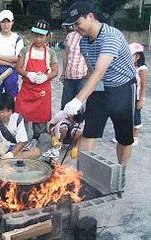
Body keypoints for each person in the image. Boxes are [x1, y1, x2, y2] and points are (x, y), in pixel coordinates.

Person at [62, 1, 136, 189]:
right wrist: (85, 98)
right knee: (89, 133)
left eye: (77, 23)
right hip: (100, 89)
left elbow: (100, 71)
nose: (75, 28)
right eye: (72, 25)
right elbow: (91, 72)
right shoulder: (84, 41)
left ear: (90, 16)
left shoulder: (111, 36)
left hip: (122, 88)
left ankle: (121, 171)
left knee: (124, 137)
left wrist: (78, 98)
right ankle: (82, 175)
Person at [15, 20, 58, 145]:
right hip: (27, 88)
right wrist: (28, 74)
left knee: (40, 117)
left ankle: (35, 137)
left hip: (43, 90)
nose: (38, 39)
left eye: (41, 36)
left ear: (47, 36)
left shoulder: (51, 52)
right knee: (21, 111)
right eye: (36, 35)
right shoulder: (25, 51)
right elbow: (18, 68)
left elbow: (55, 71)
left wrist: (46, 77)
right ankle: (21, 138)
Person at [0, 93, 41, 160]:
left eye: (8, 111)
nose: (6, 115)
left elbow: (21, 142)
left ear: (12, 110)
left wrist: (11, 154)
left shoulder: (18, 118)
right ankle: (11, 161)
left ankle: (2, 162)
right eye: (2, 112)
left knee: (36, 151)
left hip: (12, 149)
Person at [0, 10, 24, 97]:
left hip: (12, 72)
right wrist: (9, 63)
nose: (6, 25)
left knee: (12, 97)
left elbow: (18, 58)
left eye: (8, 22)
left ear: (12, 22)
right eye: (3, 22)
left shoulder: (18, 39)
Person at [59, 29, 87, 109]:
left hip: (83, 78)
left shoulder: (90, 36)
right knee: (65, 106)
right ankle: (64, 121)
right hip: (69, 77)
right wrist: (63, 73)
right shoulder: (70, 35)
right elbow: (66, 54)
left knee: (79, 107)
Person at [128, 43, 148, 146]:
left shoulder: (142, 69)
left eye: (130, 55)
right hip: (128, 96)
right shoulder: (130, 67)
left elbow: (144, 85)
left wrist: (141, 99)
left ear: (138, 56)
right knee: (126, 115)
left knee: (136, 116)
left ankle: (135, 136)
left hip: (136, 97)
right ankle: (126, 135)